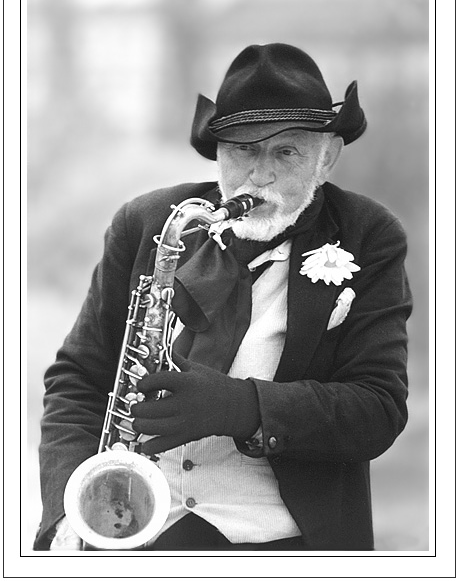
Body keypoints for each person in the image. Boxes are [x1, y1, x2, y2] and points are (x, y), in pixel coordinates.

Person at [33, 43, 412, 551]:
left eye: (286, 151)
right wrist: (66, 513)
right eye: (242, 149)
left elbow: (379, 409)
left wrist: (240, 408)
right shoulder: (149, 224)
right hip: (140, 531)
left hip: (285, 543)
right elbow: (76, 379)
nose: (260, 174)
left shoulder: (369, 234)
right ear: (218, 152)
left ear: (327, 157)